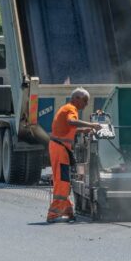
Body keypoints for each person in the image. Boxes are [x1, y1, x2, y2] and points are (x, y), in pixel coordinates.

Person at [46, 87, 102, 223]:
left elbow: (69, 128)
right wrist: (92, 125)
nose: (86, 104)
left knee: (64, 180)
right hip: (60, 148)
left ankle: (67, 211)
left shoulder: (66, 108)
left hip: (59, 147)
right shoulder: (71, 109)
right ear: (77, 98)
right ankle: (53, 214)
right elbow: (71, 122)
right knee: (62, 182)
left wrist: (84, 130)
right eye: (85, 101)